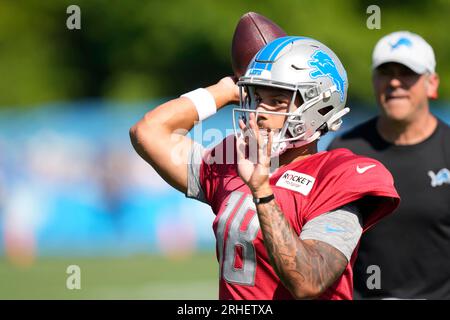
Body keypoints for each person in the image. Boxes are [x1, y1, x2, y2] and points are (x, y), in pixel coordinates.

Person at [130, 36, 400, 300]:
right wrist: (224, 90)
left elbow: (309, 282)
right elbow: (149, 132)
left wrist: (261, 191)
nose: (259, 111)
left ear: (318, 106)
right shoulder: (235, 157)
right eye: (256, 97)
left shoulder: (338, 175)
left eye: (277, 101)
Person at [328, 31, 450, 299]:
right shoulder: (345, 149)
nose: (395, 82)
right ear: (374, 81)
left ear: (431, 84)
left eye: (407, 73)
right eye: (385, 72)